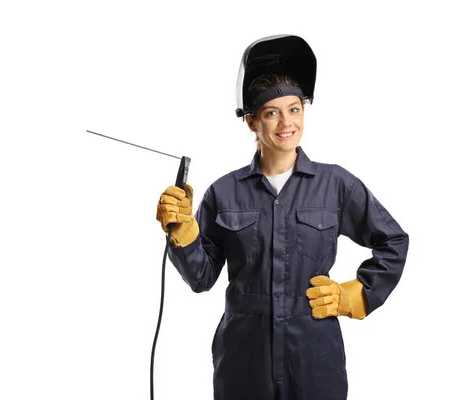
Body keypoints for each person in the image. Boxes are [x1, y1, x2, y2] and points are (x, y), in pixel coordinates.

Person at [156, 34, 409, 400]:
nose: (286, 122)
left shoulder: (336, 184)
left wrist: (354, 295)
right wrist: (182, 231)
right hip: (243, 360)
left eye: (294, 109)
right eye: (271, 112)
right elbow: (201, 277)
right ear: (251, 122)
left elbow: (393, 241)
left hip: (314, 359)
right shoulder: (223, 193)